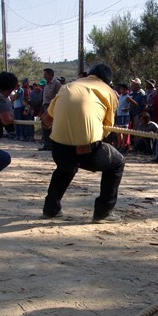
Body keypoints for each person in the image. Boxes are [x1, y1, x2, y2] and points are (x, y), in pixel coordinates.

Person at [41, 63, 125, 223]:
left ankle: (50, 209)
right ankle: (103, 212)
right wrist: (90, 142)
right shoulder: (109, 92)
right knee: (117, 163)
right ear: (108, 81)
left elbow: (47, 119)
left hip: (58, 148)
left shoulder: (67, 86)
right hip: (86, 149)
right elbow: (108, 127)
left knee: (65, 168)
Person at [39, 67, 62, 150]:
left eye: (46, 74)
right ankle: (47, 145)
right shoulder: (46, 84)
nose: (44, 76)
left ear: (50, 75)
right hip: (45, 106)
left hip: (53, 107)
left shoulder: (57, 83)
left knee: (53, 126)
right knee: (45, 125)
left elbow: (60, 96)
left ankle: (53, 145)